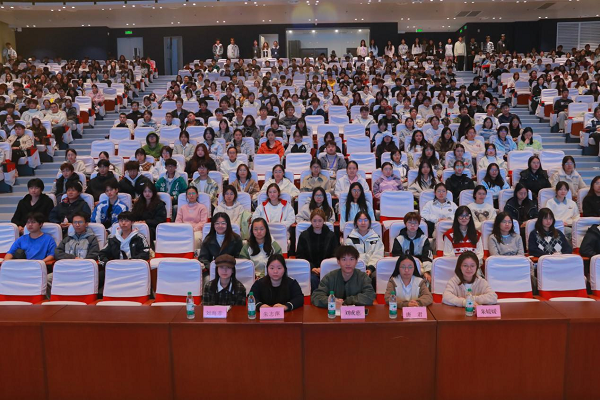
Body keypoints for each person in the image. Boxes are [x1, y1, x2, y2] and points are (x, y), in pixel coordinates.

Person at [311, 245, 376, 307]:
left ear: (356, 261)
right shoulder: (329, 277)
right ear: (338, 261)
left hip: (355, 313)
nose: (348, 263)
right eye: (344, 259)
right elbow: (316, 296)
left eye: (351, 259)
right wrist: (332, 301)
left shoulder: (363, 277)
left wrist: (347, 301)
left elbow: (370, 296)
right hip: (334, 312)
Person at [296, 209, 339, 292]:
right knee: (312, 279)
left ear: (324, 221)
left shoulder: (331, 236)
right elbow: (300, 256)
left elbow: (335, 255)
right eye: (314, 221)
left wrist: (323, 267)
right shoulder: (304, 236)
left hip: (328, 269)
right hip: (310, 270)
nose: (317, 224)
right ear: (311, 221)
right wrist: (312, 268)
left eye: (320, 221)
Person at [198, 212, 243, 281]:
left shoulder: (236, 239)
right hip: (213, 271)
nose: (220, 226)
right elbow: (203, 258)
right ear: (213, 225)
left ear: (228, 224)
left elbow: (239, 257)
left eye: (223, 223)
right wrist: (213, 268)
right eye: (217, 223)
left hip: (230, 270)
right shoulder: (208, 239)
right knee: (207, 279)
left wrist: (229, 268)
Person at [344, 211, 384, 285]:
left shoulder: (376, 238)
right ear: (356, 222)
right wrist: (361, 267)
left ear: (369, 222)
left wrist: (370, 268)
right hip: (355, 268)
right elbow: (350, 257)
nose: (363, 223)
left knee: (376, 278)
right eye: (360, 220)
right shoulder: (350, 239)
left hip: (373, 268)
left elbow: (378, 255)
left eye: (365, 220)